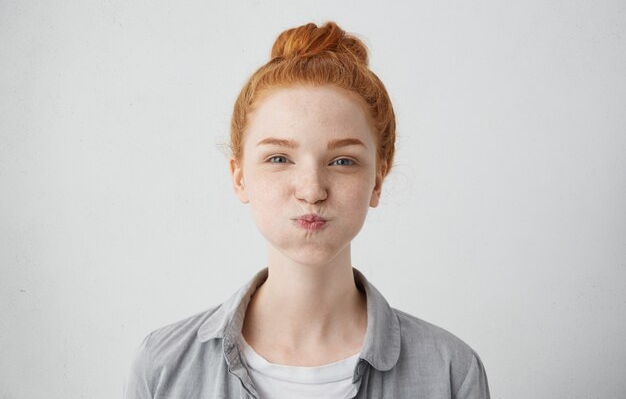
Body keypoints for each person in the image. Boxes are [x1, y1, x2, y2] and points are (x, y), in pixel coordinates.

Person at [124, 21, 491, 399]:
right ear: (239, 177)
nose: (312, 191)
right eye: (279, 158)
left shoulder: (450, 372)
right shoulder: (162, 367)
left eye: (343, 161)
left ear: (378, 180)